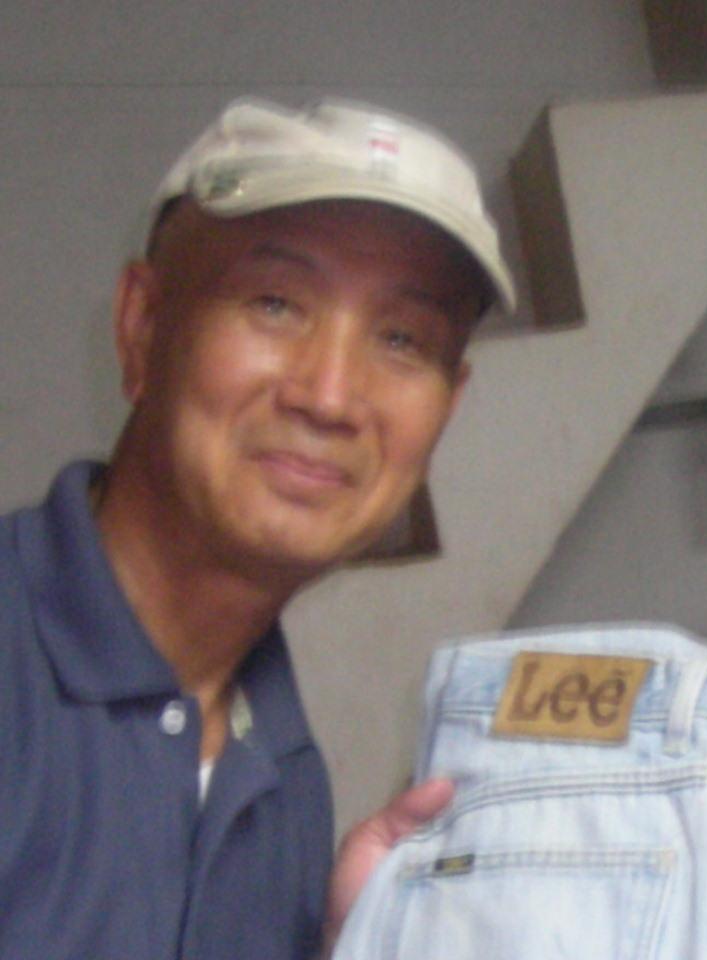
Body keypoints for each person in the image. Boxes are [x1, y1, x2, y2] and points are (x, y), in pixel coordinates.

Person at [0, 96, 515, 959]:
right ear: (142, 327)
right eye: (275, 304)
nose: (330, 396)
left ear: (447, 409)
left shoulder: (282, 777)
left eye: (402, 339)